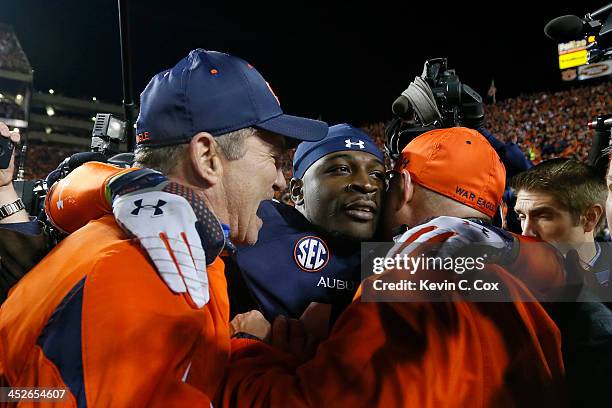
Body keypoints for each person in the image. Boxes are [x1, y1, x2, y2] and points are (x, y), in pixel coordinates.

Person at [0, 49, 327, 406]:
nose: (281, 179)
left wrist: (241, 349)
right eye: (274, 159)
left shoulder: (176, 245)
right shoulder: (141, 275)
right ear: (207, 157)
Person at [217, 127, 567, 407]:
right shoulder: (534, 272)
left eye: (382, 177)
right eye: (340, 168)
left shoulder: (410, 271)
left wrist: (250, 349)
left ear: (405, 186)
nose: (367, 186)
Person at [228, 123, 385, 328]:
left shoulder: (395, 253)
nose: (366, 184)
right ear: (297, 191)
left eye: (377, 175)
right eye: (341, 169)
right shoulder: (255, 222)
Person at [511, 158, 611, 289]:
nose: (525, 232)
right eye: (522, 217)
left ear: (589, 218)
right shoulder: (511, 280)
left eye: (543, 216)